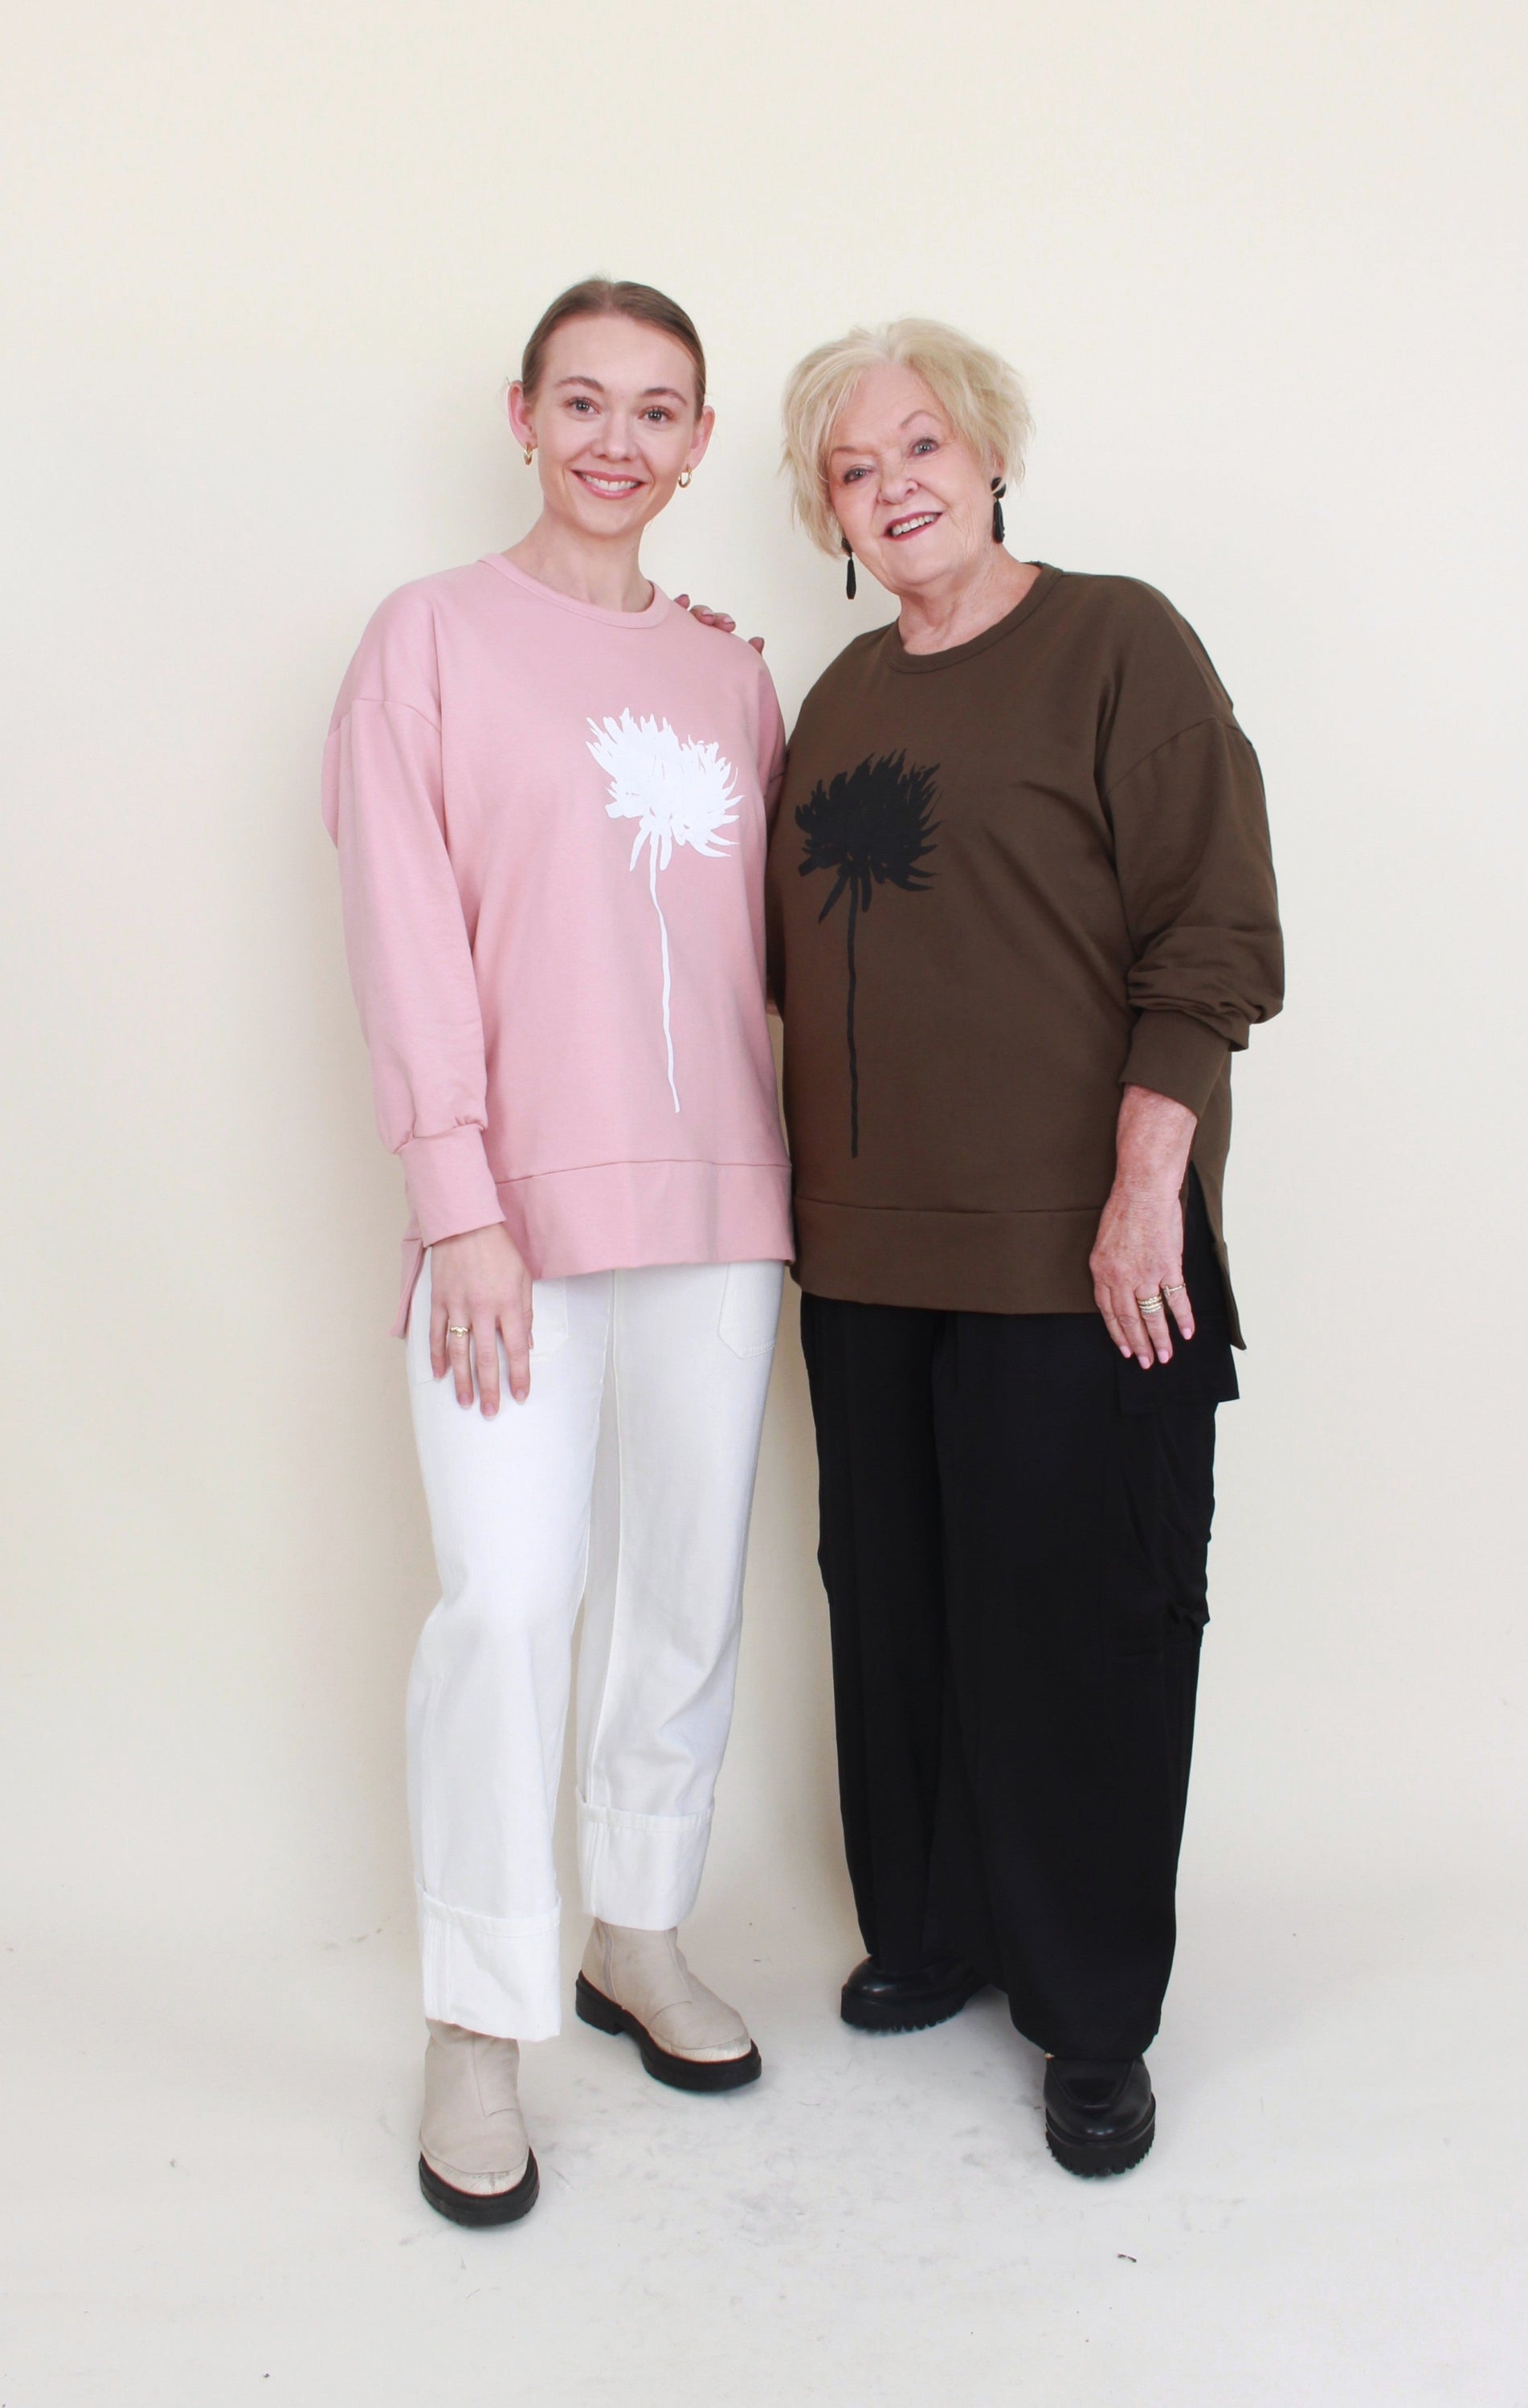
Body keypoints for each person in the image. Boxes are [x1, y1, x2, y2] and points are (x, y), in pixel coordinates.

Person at [766, 319, 1283, 2176]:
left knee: (1083, 1630)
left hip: (1079, 1251)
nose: (893, 483)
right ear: (827, 514)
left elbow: (1211, 932)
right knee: (895, 1608)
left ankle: (1090, 2013)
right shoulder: (833, 699)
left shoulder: (1118, 643)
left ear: (990, 454)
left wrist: (1148, 1185)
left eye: (921, 443)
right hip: (861, 1256)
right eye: (851, 467)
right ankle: (932, 1928)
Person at [323, 280, 791, 2226]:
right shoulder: (426, 640)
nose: (617, 438)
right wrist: (459, 1204)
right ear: (522, 415)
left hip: (724, 1206)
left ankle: (637, 1928)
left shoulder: (733, 674)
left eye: (656, 409)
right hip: (506, 1220)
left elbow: (770, 953)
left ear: (699, 443)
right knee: (510, 1603)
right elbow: (404, 927)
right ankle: (476, 2013)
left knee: (682, 1590)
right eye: (582, 399)